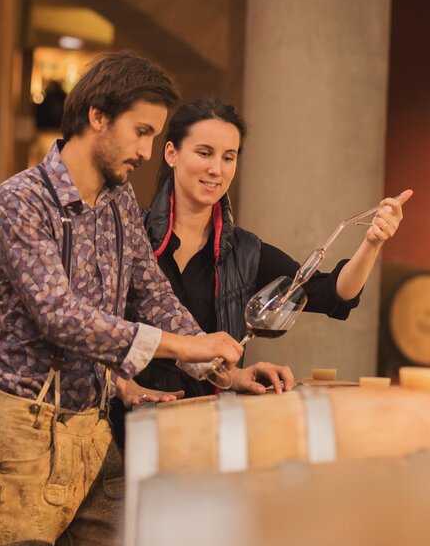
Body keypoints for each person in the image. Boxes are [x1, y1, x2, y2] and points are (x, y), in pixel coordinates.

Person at [0, 53, 279, 546]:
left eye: (155, 136)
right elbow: (60, 316)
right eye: (142, 132)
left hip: (92, 432)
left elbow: (152, 294)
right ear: (97, 117)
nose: (147, 151)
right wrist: (186, 345)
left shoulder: (118, 204)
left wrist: (225, 370)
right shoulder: (21, 201)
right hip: (21, 438)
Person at [131, 97, 412, 401]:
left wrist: (373, 242)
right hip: (125, 422)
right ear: (171, 153)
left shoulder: (245, 251)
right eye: (204, 153)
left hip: (207, 424)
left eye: (229, 157)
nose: (216, 169)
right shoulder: (132, 233)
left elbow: (331, 292)